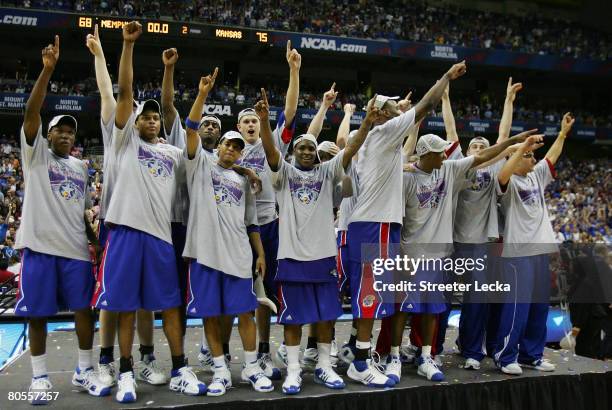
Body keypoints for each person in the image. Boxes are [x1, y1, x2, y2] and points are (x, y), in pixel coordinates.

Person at [91, 21, 205, 402]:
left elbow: (202, 165)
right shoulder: (122, 141)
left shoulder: (173, 154)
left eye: (156, 117)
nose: (152, 120)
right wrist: (126, 47)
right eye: (146, 116)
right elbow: (122, 93)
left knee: (169, 305)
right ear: (134, 121)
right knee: (123, 307)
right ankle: (124, 372)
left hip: (159, 237)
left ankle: (179, 366)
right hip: (124, 232)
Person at [345, 61, 467, 388]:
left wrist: (407, 125)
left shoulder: (382, 142)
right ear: (380, 115)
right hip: (376, 225)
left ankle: (363, 354)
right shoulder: (383, 133)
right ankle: (359, 361)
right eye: (392, 106)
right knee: (369, 295)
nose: (399, 108)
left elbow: (408, 145)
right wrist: (445, 77)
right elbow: (425, 104)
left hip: (381, 224)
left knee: (375, 295)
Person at [257, 88, 377, 394]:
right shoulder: (283, 174)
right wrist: (264, 119)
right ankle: (294, 371)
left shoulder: (327, 173)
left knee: (326, 316)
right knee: (293, 319)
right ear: (295, 152)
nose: (308, 152)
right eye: (302, 148)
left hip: (323, 256)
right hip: (292, 257)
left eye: (311, 149)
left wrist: (365, 124)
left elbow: (348, 151)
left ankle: (324, 366)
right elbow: (271, 153)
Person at [392, 129, 531, 384]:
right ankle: (394, 356)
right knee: (404, 309)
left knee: (433, 309)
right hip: (412, 252)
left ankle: (427, 355)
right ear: (426, 154)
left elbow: (481, 158)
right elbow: (398, 220)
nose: (445, 155)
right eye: (439, 152)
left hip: (442, 252)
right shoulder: (407, 179)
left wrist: (509, 143)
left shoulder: (450, 170)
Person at [15, 35, 109, 404]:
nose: (66, 135)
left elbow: (81, 210)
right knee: (38, 314)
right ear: (48, 134)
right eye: (60, 130)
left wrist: (95, 239)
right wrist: (47, 70)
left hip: (74, 249)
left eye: (70, 132)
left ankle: (84, 369)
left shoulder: (82, 167)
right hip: (38, 246)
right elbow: (31, 114)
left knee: (85, 310)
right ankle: (39, 377)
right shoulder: (35, 154)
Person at [182, 72, 274, 396]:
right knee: (210, 315)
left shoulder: (243, 182)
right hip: (206, 252)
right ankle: (220, 371)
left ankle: (250, 367)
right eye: (227, 145)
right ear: (218, 146)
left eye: (237, 148)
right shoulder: (200, 167)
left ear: (240, 153)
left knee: (244, 313)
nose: (232, 150)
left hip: (238, 254)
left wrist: (260, 253)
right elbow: (191, 131)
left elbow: (252, 223)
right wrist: (202, 94)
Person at [85, 23, 164, 388]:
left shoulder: (156, 148)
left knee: (144, 301)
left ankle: (144, 358)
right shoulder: (117, 133)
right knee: (114, 301)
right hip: (118, 224)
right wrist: (107, 54)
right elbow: (114, 89)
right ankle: (105, 362)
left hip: (149, 228)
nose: (135, 111)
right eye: (133, 109)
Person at [233, 41, 300, 380]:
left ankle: (261, 349)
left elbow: (289, 114)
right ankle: (237, 350)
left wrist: (293, 70)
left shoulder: (272, 144)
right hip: (235, 228)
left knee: (265, 291)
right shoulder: (228, 152)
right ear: (237, 126)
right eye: (244, 121)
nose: (249, 125)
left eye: (253, 121)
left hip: (269, 225)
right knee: (238, 288)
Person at [493, 113, 575, 375]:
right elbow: (505, 172)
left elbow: (551, 156)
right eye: (528, 156)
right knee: (517, 307)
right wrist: (521, 147)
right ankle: (505, 356)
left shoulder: (536, 176)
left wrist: (562, 134)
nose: (533, 158)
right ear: (514, 159)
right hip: (518, 253)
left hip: (541, 252)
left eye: (531, 155)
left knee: (539, 307)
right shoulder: (507, 180)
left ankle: (531, 355)